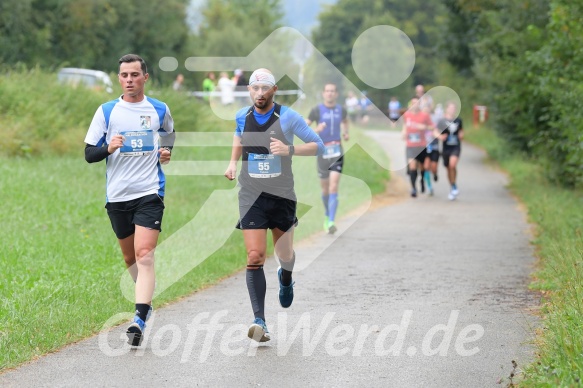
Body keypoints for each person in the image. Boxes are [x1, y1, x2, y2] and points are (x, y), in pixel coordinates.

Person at [224, 68, 324, 342]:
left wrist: (289, 149)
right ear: (249, 91)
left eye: (264, 88)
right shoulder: (242, 116)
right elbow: (238, 134)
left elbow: (319, 146)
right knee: (255, 256)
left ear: (273, 90)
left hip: (281, 196)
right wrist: (233, 162)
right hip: (251, 195)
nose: (259, 93)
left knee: (285, 255)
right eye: (254, 88)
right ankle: (260, 321)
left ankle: (286, 277)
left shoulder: (288, 117)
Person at [84, 54, 175, 346]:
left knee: (144, 254)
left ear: (145, 77)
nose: (130, 80)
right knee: (129, 258)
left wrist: (166, 153)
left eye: (135, 75)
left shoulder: (159, 109)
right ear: (119, 78)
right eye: (124, 75)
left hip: (149, 192)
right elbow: (88, 154)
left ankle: (138, 318)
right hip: (118, 196)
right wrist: (108, 148)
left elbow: (169, 134)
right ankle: (145, 302)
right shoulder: (107, 111)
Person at [306, 83, 349, 234]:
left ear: (336, 94)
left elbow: (345, 120)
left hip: (337, 151)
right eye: (327, 91)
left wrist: (346, 132)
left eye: (332, 91)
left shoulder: (341, 110)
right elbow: (304, 127)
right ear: (323, 93)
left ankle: (331, 220)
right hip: (322, 152)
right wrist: (316, 130)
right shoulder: (316, 110)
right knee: (325, 189)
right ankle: (326, 214)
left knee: (333, 186)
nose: (330, 94)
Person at [401, 97, 434, 197]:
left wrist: (424, 127)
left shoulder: (424, 115)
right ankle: (414, 188)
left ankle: (422, 181)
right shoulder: (406, 115)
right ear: (410, 104)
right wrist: (403, 132)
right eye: (413, 103)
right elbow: (405, 125)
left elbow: (432, 127)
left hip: (421, 146)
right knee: (412, 166)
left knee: (422, 167)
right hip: (410, 145)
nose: (415, 105)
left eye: (417, 103)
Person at [438, 102, 464, 200]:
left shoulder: (458, 120)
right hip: (446, 148)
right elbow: (435, 131)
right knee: (448, 168)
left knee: (453, 165)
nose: (452, 110)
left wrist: (461, 135)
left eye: (454, 108)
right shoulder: (442, 121)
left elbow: (461, 130)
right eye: (451, 108)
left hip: (456, 146)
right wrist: (440, 136)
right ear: (447, 109)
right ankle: (453, 186)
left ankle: (454, 186)